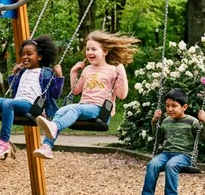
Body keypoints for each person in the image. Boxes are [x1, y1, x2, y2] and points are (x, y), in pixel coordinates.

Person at [34, 30, 139, 159]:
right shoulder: (87, 70)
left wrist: (121, 72)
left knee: (76, 109)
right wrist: (73, 72)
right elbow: (76, 90)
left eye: (94, 49)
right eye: (87, 49)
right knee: (60, 111)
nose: (89, 52)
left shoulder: (112, 70)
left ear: (105, 52)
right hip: (84, 107)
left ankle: (55, 126)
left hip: (100, 110)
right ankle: (47, 147)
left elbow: (122, 95)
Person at [0, 36, 64, 160]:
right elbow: (15, 90)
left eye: (29, 54)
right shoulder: (22, 72)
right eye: (23, 54)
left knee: (8, 104)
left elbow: (55, 94)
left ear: (39, 57)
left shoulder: (45, 72)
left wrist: (59, 77)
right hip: (19, 102)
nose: (25, 57)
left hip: (33, 107)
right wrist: (14, 75)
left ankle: (3, 142)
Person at [137, 88, 205, 195]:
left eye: (174, 106)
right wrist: (154, 121)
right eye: (167, 106)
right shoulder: (166, 121)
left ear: (184, 107)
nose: (170, 109)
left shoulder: (192, 122)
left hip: (184, 155)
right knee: (152, 164)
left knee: (171, 166)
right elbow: (157, 136)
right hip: (166, 153)